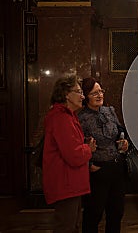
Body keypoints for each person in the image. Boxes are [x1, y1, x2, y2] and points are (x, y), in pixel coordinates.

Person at [42, 75, 96, 233]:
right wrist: (88, 148)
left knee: (72, 226)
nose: (83, 96)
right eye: (78, 92)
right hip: (66, 182)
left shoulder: (67, 116)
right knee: (66, 227)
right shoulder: (61, 117)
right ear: (66, 94)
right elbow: (73, 156)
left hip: (70, 182)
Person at [78, 77, 129, 233]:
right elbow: (77, 146)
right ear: (85, 96)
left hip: (116, 167)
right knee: (94, 213)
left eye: (101, 91)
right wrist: (89, 166)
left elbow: (120, 131)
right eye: (94, 93)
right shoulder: (81, 118)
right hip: (97, 170)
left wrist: (124, 142)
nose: (99, 95)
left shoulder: (109, 111)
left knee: (116, 212)